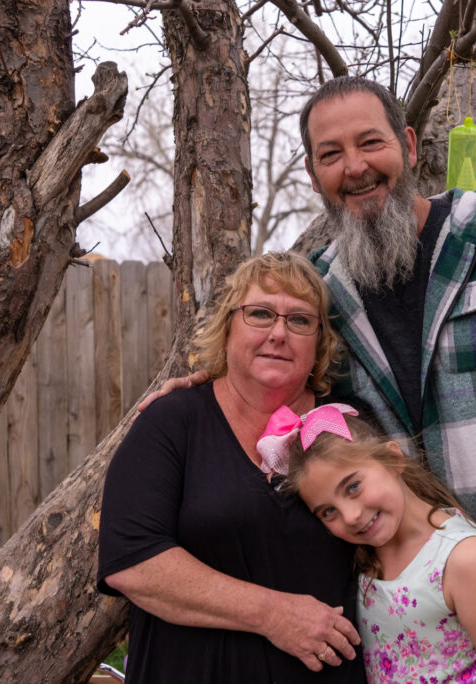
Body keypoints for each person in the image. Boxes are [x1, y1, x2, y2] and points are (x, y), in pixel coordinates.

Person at [141, 76, 476, 682]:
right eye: (330, 155)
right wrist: (206, 392)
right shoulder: (323, 295)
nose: (355, 168)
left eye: (370, 143)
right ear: (315, 175)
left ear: (410, 146)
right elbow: (285, 387)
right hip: (394, 611)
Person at [97, 252, 367, 683]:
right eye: (259, 314)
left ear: (319, 344)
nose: (279, 333)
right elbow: (133, 561)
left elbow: (403, 531)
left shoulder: (348, 424)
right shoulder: (172, 423)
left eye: (300, 320)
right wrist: (275, 615)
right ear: (226, 329)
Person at [267, 404, 476, 684]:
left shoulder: (466, 560)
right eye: (328, 511)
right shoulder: (361, 558)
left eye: (353, 487)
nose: (351, 516)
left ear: (394, 460)